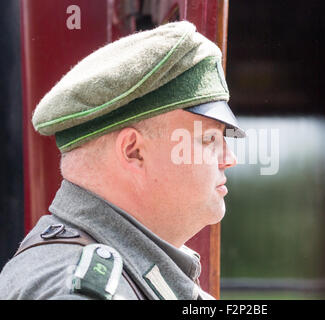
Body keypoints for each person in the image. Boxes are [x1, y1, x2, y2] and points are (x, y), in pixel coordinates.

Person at [0, 21, 245, 300]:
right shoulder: (80, 292)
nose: (229, 158)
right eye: (209, 140)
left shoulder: (128, 269)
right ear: (133, 151)